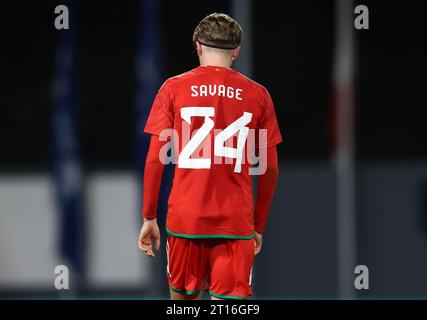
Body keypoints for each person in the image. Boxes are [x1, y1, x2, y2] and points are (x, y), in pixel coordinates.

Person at [138, 12, 282, 300]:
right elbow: (269, 169)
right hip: (235, 222)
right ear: (236, 51)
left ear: (198, 46)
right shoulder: (258, 95)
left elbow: (155, 158)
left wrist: (149, 216)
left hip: (185, 221)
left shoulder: (172, 89)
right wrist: (258, 225)